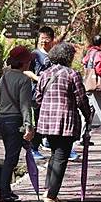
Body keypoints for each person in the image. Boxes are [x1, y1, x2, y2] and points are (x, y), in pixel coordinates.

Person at [35, 42, 92, 202]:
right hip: (65, 121)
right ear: (68, 57)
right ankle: (51, 196)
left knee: (55, 155)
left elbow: (38, 98)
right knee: (60, 157)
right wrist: (88, 116)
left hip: (47, 121)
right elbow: (81, 99)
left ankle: (48, 191)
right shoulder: (72, 74)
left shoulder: (45, 74)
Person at [0, 46, 36, 202]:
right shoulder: (24, 80)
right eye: (29, 60)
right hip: (15, 121)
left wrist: (6, 108)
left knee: (9, 155)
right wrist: (28, 127)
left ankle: (7, 190)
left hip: (2, 120)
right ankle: (4, 194)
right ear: (24, 62)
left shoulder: (4, 77)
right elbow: (25, 106)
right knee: (11, 158)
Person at [27, 26, 55, 160]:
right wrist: (37, 78)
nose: (43, 41)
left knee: (52, 119)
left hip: (52, 93)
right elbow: (25, 70)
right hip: (38, 92)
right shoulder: (34, 54)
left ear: (52, 40)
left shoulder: (55, 54)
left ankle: (49, 143)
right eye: (41, 38)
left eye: (46, 38)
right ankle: (33, 148)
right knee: (39, 120)